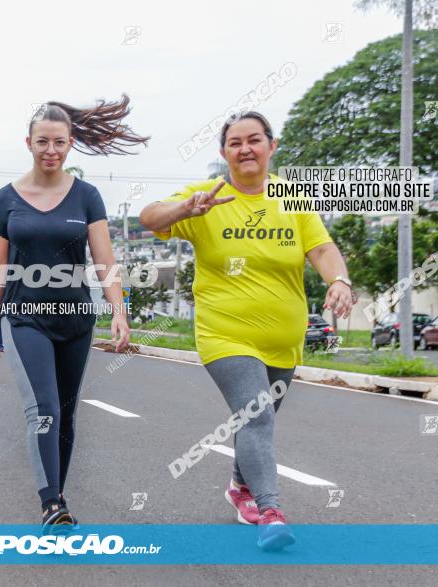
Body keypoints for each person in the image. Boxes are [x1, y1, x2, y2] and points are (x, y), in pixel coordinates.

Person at [139, 111, 354, 551]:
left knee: (259, 417)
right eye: (235, 143)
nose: (245, 149)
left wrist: (339, 280)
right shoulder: (207, 197)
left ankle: (240, 483)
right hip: (225, 333)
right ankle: (270, 510)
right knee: (256, 414)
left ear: (271, 147)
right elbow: (150, 217)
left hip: (282, 338)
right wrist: (186, 208)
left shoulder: (293, 198)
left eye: (254, 140)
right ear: (224, 153)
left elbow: (323, 248)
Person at [0, 97, 136, 532]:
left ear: (71, 145)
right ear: (28, 142)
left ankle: (59, 498)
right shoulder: (5, 200)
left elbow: (105, 261)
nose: (51, 150)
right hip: (24, 315)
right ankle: (51, 503)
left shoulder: (87, 196)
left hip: (74, 319)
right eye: (43, 142)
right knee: (43, 407)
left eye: (60, 142)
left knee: (66, 411)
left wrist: (118, 313)